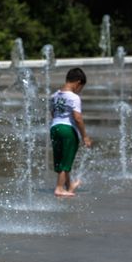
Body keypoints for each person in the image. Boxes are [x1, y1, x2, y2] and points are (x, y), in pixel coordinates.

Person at [49, 68, 92, 197]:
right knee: (66, 161)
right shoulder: (74, 97)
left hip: (54, 128)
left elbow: (52, 113)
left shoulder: (54, 95)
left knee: (61, 159)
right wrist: (85, 136)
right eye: (81, 87)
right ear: (78, 83)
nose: (80, 90)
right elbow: (77, 118)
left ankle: (68, 186)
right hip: (68, 130)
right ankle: (59, 188)